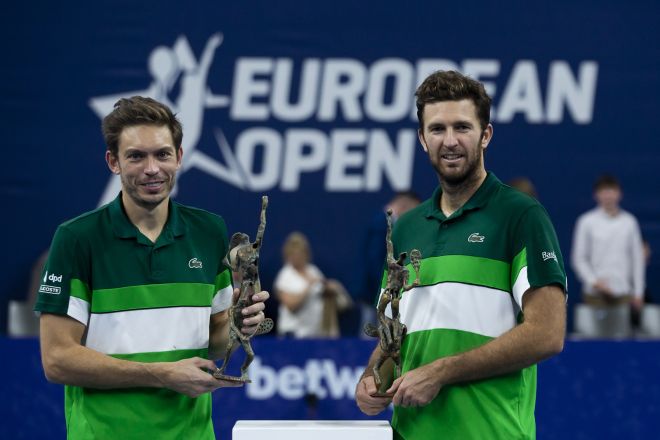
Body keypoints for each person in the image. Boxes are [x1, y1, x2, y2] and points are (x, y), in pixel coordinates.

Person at [34, 96, 269, 440]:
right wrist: (161, 373)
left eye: (162, 154)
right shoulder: (77, 238)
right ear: (113, 161)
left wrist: (237, 326)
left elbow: (214, 338)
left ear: (179, 157)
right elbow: (56, 359)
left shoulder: (209, 231)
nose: (151, 168)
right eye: (136, 156)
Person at [354, 70, 567, 440]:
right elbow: (395, 337)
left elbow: (547, 333)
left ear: (485, 134)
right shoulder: (406, 227)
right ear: (422, 139)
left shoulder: (521, 216)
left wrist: (441, 371)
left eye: (462, 127)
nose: (449, 141)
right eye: (437, 129)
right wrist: (373, 379)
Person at [571, 175, 645, 319]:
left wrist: (638, 292)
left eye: (612, 191)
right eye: (604, 191)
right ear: (596, 195)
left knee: (622, 338)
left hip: (623, 294)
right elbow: (579, 258)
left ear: (619, 194)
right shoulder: (586, 222)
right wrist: (594, 281)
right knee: (593, 339)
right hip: (595, 296)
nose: (608, 196)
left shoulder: (629, 222)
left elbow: (637, 259)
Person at [275, 231, 351, 338]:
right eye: (295, 254)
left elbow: (324, 292)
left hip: (316, 334)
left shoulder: (313, 270)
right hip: (293, 335)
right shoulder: (285, 275)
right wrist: (308, 287)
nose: (299, 257)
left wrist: (330, 288)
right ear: (288, 255)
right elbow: (291, 305)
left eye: (301, 253)